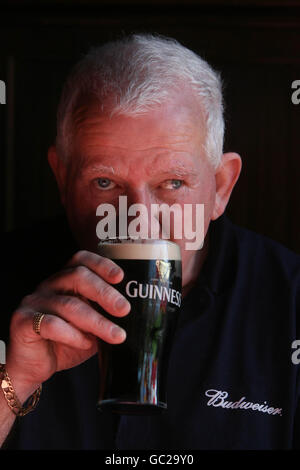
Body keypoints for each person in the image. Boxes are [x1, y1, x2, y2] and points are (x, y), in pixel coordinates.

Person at [0, 33, 299, 450]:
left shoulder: (292, 304)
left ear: (221, 186)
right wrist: (11, 382)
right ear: (62, 179)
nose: (139, 221)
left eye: (173, 182)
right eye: (105, 182)